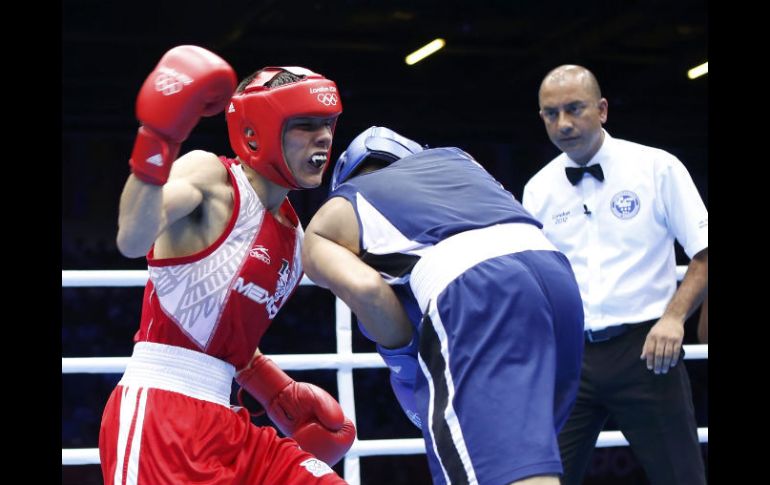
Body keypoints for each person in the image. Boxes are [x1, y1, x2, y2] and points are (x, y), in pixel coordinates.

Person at [98, 45, 356, 485]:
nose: (324, 138)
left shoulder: (295, 238)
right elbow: (133, 237)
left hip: (228, 421)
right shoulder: (213, 180)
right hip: (161, 415)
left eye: (328, 124)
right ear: (256, 133)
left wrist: (275, 391)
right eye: (305, 125)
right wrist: (157, 139)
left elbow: (221, 330)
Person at [302, 126, 586, 485]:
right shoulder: (460, 160)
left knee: (494, 475)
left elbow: (368, 290)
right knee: (523, 469)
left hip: (477, 290)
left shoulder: (336, 211)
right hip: (556, 278)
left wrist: (405, 367)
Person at [522, 64, 708, 485]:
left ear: (602, 109)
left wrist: (674, 317)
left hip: (647, 351)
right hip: (571, 356)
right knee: (540, 477)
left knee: (682, 478)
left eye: (574, 109)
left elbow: (704, 252)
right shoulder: (538, 189)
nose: (563, 123)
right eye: (551, 113)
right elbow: (534, 279)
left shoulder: (656, 167)